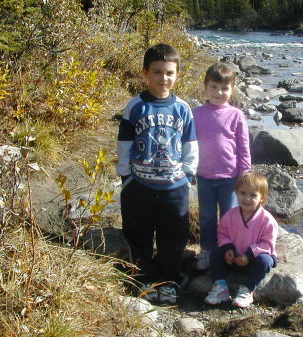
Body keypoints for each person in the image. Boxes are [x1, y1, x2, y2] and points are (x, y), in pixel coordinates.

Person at [116, 43, 198, 304]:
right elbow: (124, 145)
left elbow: (190, 145)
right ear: (145, 73)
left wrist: (188, 176)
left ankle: (170, 280)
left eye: (169, 73)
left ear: (177, 75)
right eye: (157, 72)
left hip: (174, 188)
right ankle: (145, 279)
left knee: (173, 237)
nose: (164, 78)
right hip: (139, 185)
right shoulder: (136, 106)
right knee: (138, 233)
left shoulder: (182, 108)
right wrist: (126, 176)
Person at [193, 62, 251, 271]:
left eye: (224, 88)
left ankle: (230, 250)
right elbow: (189, 145)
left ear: (232, 90)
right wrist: (189, 170)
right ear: (205, 87)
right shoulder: (196, 114)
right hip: (204, 176)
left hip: (230, 177)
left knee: (230, 216)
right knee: (207, 216)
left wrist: (244, 174)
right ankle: (207, 250)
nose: (219, 92)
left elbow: (244, 147)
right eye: (214, 87)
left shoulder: (236, 115)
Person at [204, 171, 278, 308]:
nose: (247, 199)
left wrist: (249, 255)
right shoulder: (230, 215)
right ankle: (221, 286)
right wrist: (228, 249)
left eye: (253, 195)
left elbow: (268, 244)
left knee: (266, 260)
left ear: (262, 199)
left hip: (254, 259)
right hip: (234, 258)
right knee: (215, 253)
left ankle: (247, 289)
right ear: (236, 193)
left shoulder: (267, 220)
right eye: (243, 193)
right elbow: (222, 233)